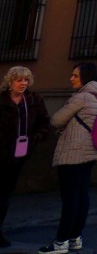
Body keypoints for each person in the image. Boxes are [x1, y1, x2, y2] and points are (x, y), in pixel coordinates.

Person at [38, 63, 97, 254]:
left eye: (75, 75)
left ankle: (61, 241)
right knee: (82, 195)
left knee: (70, 199)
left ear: (85, 77)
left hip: (73, 153)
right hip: (89, 152)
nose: (71, 78)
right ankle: (75, 237)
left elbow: (57, 120)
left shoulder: (81, 97)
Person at [1, 66, 51, 249]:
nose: (23, 83)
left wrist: (34, 139)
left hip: (18, 154)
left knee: (4, 194)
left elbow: (44, 122)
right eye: (19, 80)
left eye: (26, 80)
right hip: (1, 151)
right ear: (10, 81)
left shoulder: (34, 100)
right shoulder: (1, 100)